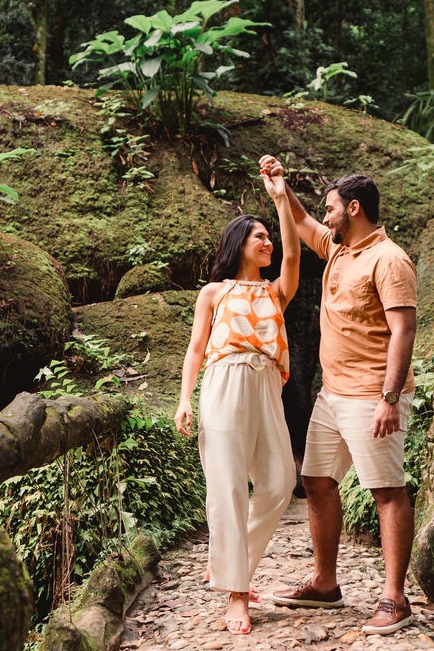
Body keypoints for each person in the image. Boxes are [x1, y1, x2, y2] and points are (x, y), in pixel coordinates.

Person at [259, 156, 417, 636]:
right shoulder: (340, 248)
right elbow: (304, 223)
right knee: (317, 481)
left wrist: (389, 397)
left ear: (353, 208)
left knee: (386, 491)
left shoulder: (389, 260)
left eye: (331, 209)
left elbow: (403, 329)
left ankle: (395, 598)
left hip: (372, 396)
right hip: (332, 394)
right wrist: (280, 190)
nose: (325, 217)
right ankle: (326, 584)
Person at [173, 165, 299, 636]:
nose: (267, 243)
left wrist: (282, 200)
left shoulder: (275, 292)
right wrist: (185, 399)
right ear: (238, 244)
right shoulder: (214, 292)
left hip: (267, 385)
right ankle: (237, 592)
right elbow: (195, 350)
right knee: (226, 486)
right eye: (259, 237)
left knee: (280, 481)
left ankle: (231, 565)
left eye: (269, 237)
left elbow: (293, 261)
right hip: (223, 383)